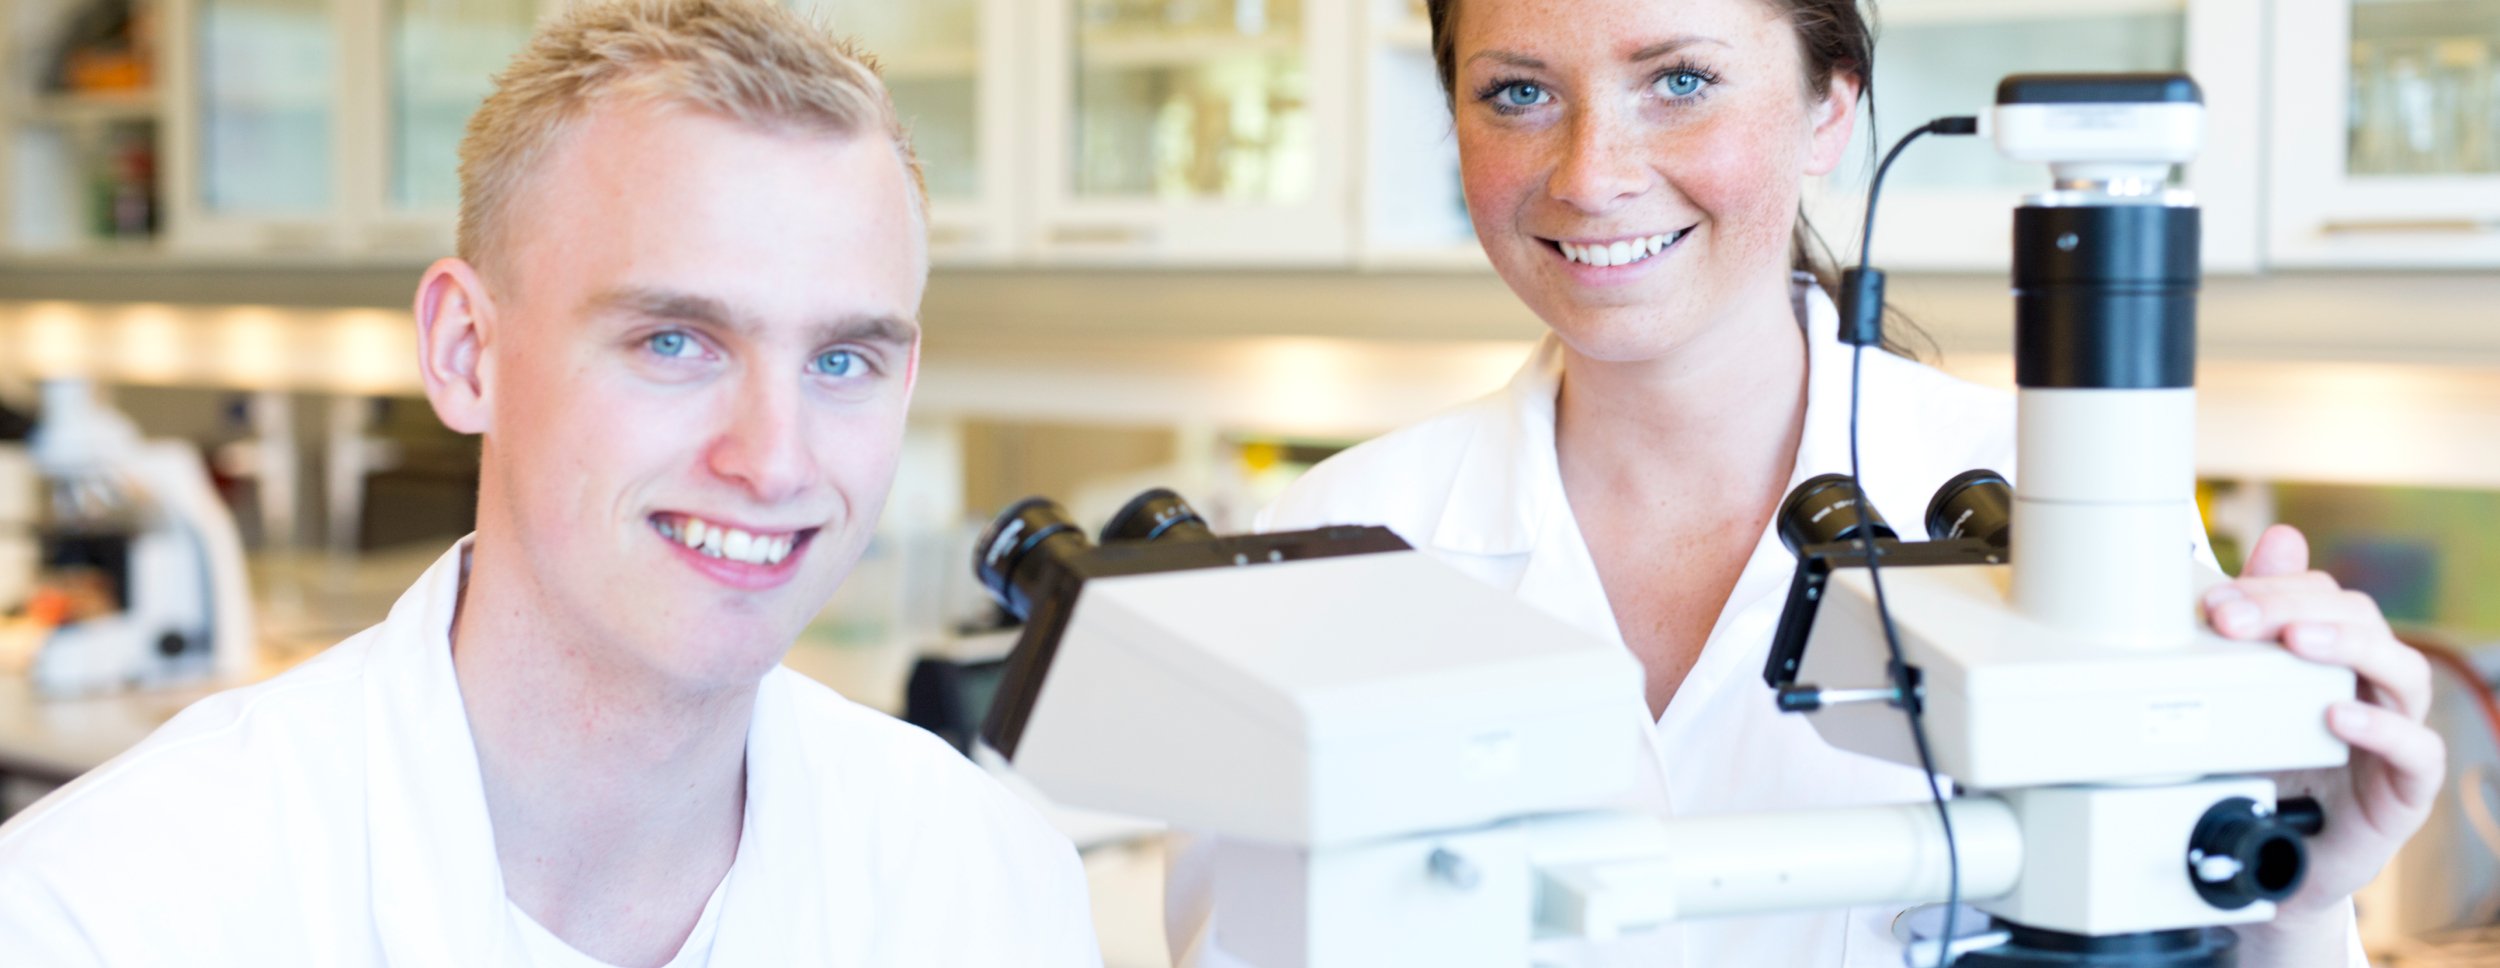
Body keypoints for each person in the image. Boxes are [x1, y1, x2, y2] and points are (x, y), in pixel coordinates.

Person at [1169, 0, 2443, 964]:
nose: (1590, 173)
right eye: (1516, 92)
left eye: (1679, 79)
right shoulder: (1331, 541)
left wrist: (2296, 889)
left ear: (1831, 109)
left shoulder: (2073, 510)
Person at [0, 2, 1101, 965]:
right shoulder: (104, 917)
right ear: (466, 351)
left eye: (842, 360)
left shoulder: (988, 886)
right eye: (675, 341)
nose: (774, 461)